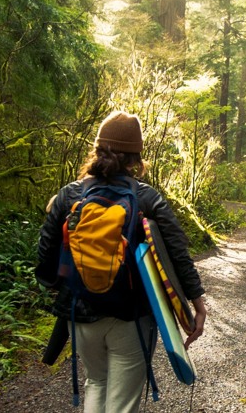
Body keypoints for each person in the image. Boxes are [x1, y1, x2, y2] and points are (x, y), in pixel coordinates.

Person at [36, 111, 207, 413]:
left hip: (82, 316)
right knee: (122, 404)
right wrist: (196, 303)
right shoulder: (146, 198)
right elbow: (177, 252)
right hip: (132, 318)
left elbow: (45, 260)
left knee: (96, 383)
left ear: (98, 150)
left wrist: (68, 285)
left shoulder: (69, 195)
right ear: (136, 158)